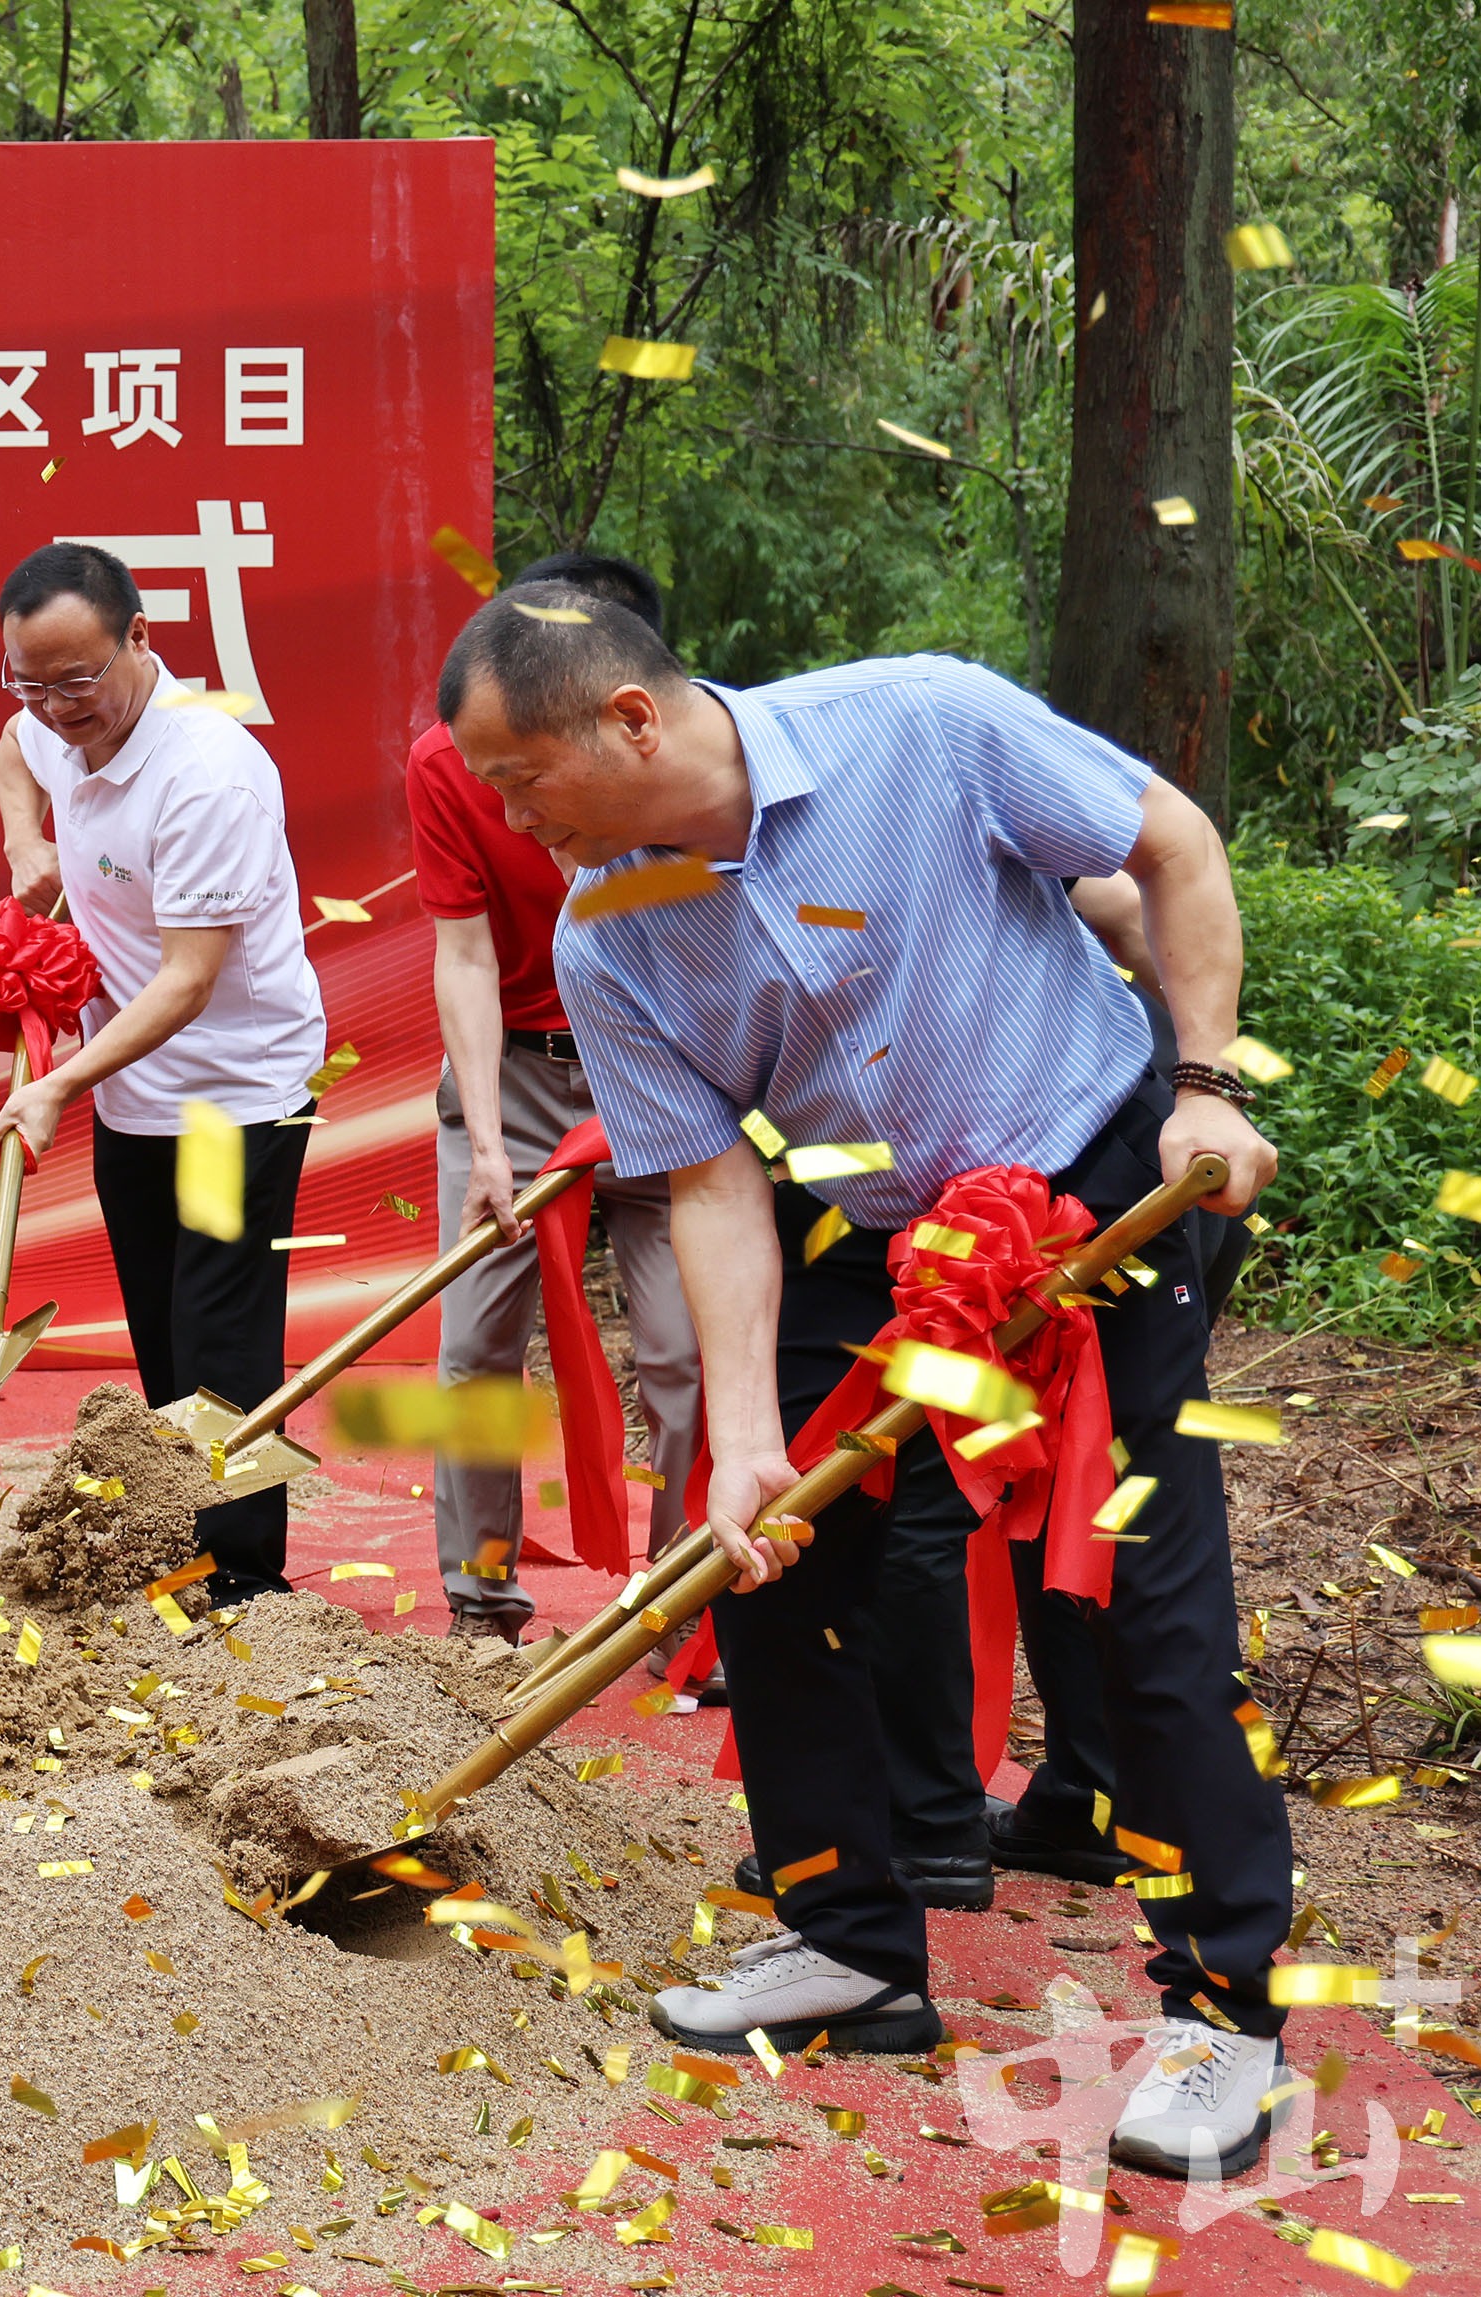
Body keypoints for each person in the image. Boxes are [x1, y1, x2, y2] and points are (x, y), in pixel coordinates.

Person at [439, 585, 1291, 2175]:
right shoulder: (604, 930)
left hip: (1101, 1177)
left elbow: (1170, 844)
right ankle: (849, 1944)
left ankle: (1224, 2015)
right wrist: (746, 1444)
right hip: (880, 1219)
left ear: (628, 720)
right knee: (766, 1549)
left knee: (1134, 1596)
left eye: (518, 778)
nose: (507, 816)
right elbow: (707, 1189)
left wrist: (1203, 1084)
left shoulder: (922, 725)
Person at [0, 543, 327, 1602]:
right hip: (132, 1093)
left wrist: (52, 1084)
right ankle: (187, 1534)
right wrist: (21, 846)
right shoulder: (52, 731)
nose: (52, 707)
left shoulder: (205, 772)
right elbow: (11, 748)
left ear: (140, 639)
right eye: (29, 680)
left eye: (77, 679)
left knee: (219, 1332)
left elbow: (185, 981)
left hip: (234, 1095)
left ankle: (244, 1573)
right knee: (159, 1326)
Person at [406, 549, 705, 1651]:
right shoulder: (454, 762)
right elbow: (465, 958)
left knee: (685, 1348)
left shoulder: (681, 758)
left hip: (664, 1076)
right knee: (476, 1349)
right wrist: (487, 1142)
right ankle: (480, 1607)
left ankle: (684, 1607)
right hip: (519, 1080)